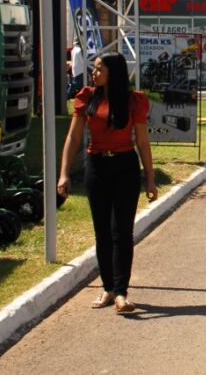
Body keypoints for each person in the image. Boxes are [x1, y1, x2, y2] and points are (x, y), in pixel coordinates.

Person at [57, 52, 157, 313]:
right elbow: (73, 138)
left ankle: (122, 292)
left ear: (114, 71)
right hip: (96, 166)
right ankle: (107, 289)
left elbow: (143, 142)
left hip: (125, 166)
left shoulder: (134, 101)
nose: (94, 72)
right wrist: (64, 173)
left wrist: (150, 178)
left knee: (121, 231)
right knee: (101, 231)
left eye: (100, 68)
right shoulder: (87, 97)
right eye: (94, 67)